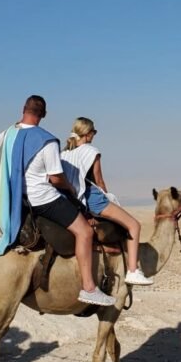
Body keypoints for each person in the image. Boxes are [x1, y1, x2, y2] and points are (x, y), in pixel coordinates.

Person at [0, 96, 115, 307]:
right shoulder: (47, 140)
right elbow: (55, 178)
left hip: (18, 198)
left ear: (23, 109)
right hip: (44, 199)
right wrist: (70, 187)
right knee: (86, 232)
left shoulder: (5, 135)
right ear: (43, 115)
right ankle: (89, 288)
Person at [60, 117, 153, 286]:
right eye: (93, 132)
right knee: (133, 225)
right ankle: (133, 270)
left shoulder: (64, 154)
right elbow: (99, 182)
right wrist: (109, 198)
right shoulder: (91, 151)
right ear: (87, 134)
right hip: (92, 198)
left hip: (73, 201)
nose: (94, 135)